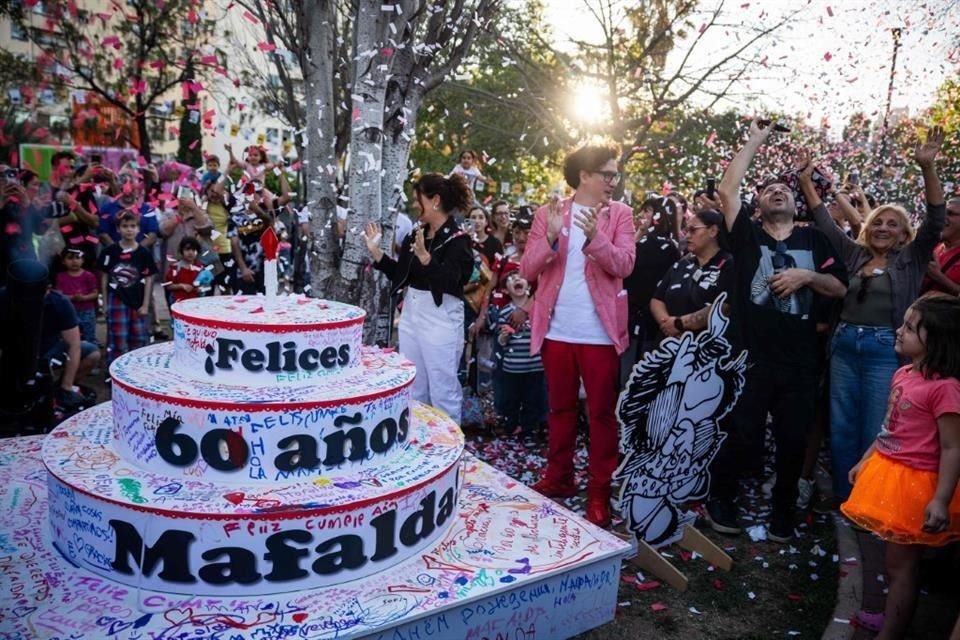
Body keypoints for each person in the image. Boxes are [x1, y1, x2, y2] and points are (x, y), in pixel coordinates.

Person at [707, 119, 848, 543]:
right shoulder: (748, 239)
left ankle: (783, 511)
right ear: (758, 206)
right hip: (752, 356)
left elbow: (840, 286)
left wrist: (806, 278)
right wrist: (756, 138)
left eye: (783, 189)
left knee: (791, 439)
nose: (777, 190)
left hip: (801, 360)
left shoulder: (816, 241)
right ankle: (722, 500)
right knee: (741, 431)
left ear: (795, 203)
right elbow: (727, 191)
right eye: (767, 189)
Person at [804, 128, 946, 505]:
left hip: (885, 350)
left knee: (874, 427)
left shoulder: (912, 260)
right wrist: (806, 180)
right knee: (842, 426)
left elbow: (935, 220)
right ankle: (845, 501)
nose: (883, 228)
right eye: (878, 223)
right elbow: (825, 222)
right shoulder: (856, 256)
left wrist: (927, 167)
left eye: (892, 224)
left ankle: (870, 502)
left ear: (903, 236)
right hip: (845, 346)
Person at [521, 143, 636, 527]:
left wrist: (595, 239)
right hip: (557, 331)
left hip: (599, 334)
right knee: (559, 409)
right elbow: (527, 270)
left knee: (601, 414)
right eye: (607, 174)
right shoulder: (548, 214)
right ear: (584, 175)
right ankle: (560, 478)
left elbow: (625, 264)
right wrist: (551, 237)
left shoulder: (619, 215)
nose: (612, 181)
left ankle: (599, 493)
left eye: (615, 174)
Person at [842, 295, 960, 639]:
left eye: (909, 327)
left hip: (916, 485)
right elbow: (889, 426)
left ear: (936, 341)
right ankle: (893, 613)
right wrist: (866, 460)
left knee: (901, 566)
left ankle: (891, 630)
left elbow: (953, 447)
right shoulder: (904, 373)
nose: (899, 331)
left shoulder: (946, 389)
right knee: (895, 564)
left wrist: (940, 499)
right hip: (889, 471)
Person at [365, 173, 474, 424]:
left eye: (418, 199)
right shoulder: (416, 235)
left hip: (442, 319)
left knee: (443, 389)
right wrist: (377, 253)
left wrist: (427, 259)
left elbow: (453, 282)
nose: (415, 205)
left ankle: (448, 451)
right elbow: (401, 274)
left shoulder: (459, 241)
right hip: (412, 317)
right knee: (414, 386)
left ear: (434, 200)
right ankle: (420, 440)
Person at [649, 208, 734, 340]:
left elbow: (724, 306)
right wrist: (667, 324)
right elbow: (657, 299)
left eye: (693, 230)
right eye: (686, 230)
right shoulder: (682, 264)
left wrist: (680, 324)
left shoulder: (729, 264)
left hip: (707, 347)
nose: (687, 235)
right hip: (670, 346)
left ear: (713, 231)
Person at [623, 196, 681, 368]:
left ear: (659, 215)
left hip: (642, 321)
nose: (641, 215)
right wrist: (640, 232)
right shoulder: (670, 244)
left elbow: (625, 266)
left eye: (647, 211)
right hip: (646, 320)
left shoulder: (657, 244)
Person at [97, 211, 158, 367]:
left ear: (138, 229)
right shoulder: (109, 252)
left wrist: (145, 305)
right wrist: (104, 302)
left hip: (137, 301)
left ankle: (136, 371)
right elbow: (104, 276)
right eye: (125, 226)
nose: (129, 230)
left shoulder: (143, 253)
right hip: (117, 300)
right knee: (117, 337)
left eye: (133, 226)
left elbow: (149, 279)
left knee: (138, 338)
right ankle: (114, 372)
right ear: (118, 229)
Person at [493, 269, 547, 438]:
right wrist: (504, 336)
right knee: (512, 398)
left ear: (529, 285)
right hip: (513, 366)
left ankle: (529, 428)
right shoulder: (504, 312)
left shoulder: (538, 310)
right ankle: (512, 425)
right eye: (511, 279)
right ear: (506, 291)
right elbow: (501, 342)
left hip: (536, 365)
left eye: (520, 277)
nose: (516, 279)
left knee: (534, 398)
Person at [54, 248, 99, 345]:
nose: (74, 261)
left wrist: (84, 298)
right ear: (63, 261)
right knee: (69, 337)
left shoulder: (89, 275)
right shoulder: (60, 277)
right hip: (68, 310)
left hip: (87, 311)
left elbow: (95, 293)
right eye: (70, 258)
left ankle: (90, 354)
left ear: (83, 260)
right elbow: (58, 295)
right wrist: (71, 297)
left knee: (89, 335)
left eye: (78, 258)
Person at [920, 196, 960, 296]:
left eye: (950, 213)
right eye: (942, 213)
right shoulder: (934, 247)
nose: (942, 217)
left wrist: (939, 277)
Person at [165, 237, 204, 305]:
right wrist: (181, 286)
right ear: (181, 251)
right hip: (178, 301)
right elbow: (168, 286)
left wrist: (199, 289)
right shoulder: (176, 268)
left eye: (193, 250)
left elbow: (204, 286)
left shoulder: (200, 268)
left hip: (195, 302)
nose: (190, 252)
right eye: (187, 249)